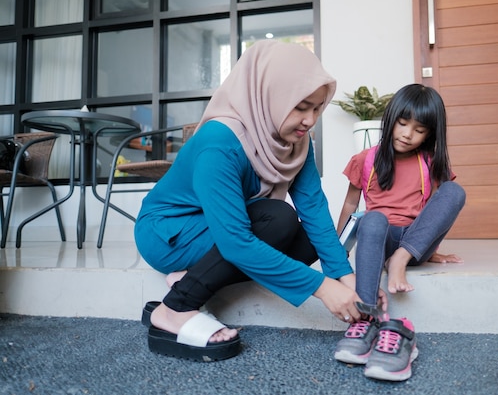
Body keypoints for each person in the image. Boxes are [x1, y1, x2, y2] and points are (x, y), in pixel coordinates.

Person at [134, 40, 363, 362]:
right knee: (277, 218)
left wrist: (348, 280)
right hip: (170, 232)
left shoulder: (297, 143)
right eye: (300, 106)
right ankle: (174, 309)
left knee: (311, 237)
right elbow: (236, 241)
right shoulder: (219, 143)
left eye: (316, 108)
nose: (310, 120)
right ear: (269, 95)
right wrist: (324, 288)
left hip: (222, 228)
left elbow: (313, 207)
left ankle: (193, 275)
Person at [333, 83, 466, 381]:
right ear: (390, 119)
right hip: (378, 241)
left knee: (454, 191)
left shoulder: (430, 162)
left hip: (412, 246)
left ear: (430, 133)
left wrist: (429, 250)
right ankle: (366, 317)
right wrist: (335, 254)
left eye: (418, 129)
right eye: (402, 123)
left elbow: (435, 211)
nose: (407, 134)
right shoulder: (365, 159)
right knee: (373, 218)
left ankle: (400, 261)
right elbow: (349, 206)